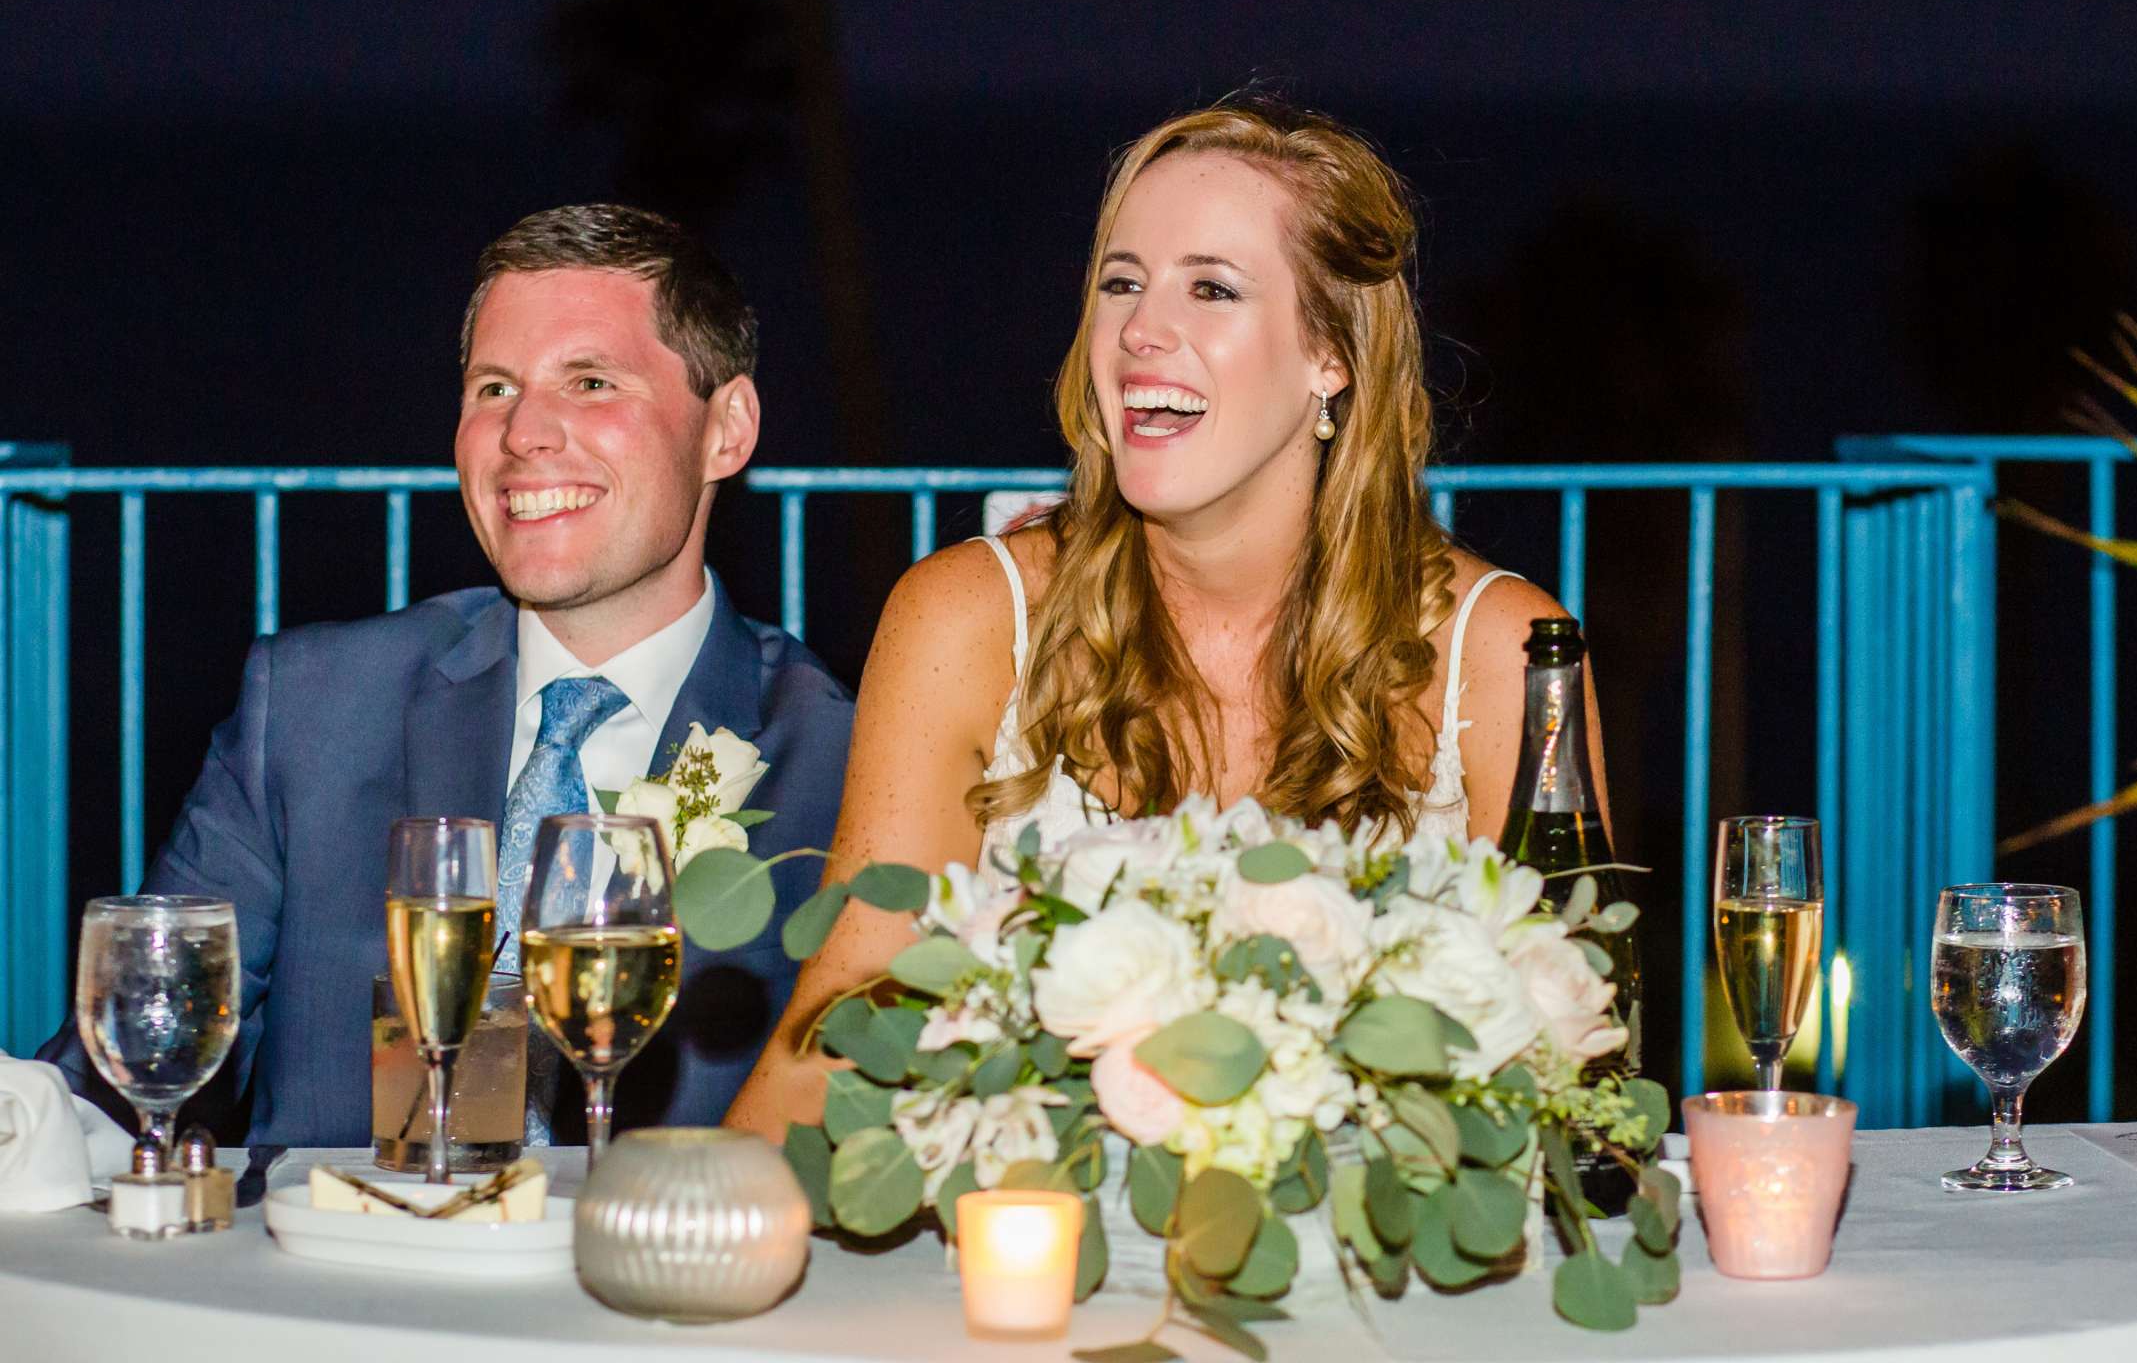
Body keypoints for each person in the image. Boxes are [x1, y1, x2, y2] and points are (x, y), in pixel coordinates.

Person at [726, 102, 1614, 1138]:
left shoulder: (1505, 655)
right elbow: (844, 1025)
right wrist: (674, 1242)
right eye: (1120, 283)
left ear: (1331, 352)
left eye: (1212, 288)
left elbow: (1570, 1085)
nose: (1141, 331)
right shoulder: (967, 619)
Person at [41, 204, 852, 1144]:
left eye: (590, 381)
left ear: (727, 430)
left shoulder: (838, 757)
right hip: (335, 1280)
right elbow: (118, 1078)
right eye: (495, 389)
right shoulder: (313, 708)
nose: (525, 434)